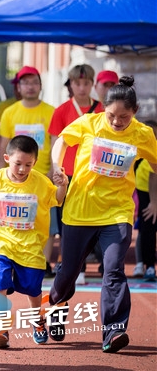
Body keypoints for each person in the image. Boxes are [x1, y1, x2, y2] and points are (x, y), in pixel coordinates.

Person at [49, 76, 157, 354]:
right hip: (80, 211)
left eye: (124, 117)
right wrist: (57, 167)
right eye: (111, 115)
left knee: (114, 270)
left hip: (117, 211)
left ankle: (114, 330)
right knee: (69, 272)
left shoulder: (143, 134)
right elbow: (61, 141)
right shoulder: (88, 123)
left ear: (134, 113)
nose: (117, 122)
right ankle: (58, 303)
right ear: (103, 110)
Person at [0, 135, 68, 349]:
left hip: (31, 247)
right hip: (1, 244)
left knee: (32, 291)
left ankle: (37, 320)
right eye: (18, 163)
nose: (22, 169)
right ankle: (1, 327)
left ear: (35, 163)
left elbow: (57, 199)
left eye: (28, 164)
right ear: (7, 158)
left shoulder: (40, 182)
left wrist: (63, 184)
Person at [0, 65, 56, 278]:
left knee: (45, 222)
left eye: (34, 82)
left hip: (43, 178)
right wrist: (1, 174)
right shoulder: (9, 113)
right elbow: (4, 146)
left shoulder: (51, 112)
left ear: (40, 86)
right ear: (18, 87)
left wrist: (52, 171)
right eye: (25, 83)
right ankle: (16, 262)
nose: (30, 87)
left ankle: (45, 263)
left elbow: (55, 143)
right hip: (16, 179)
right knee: (16, 222)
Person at [49, 64, 105, 285]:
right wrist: (56, 168)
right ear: (70, 84)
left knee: (100, 223)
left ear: (92, 84)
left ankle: (104, 267)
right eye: (77, 83)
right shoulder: (61, 110)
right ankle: (75, 269)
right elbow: (56, 141)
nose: (81, 88)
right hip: (69, 175)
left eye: (86, 83)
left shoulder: (103, 109)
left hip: (97, 175)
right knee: (69, 225)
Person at [133, 120, 157, 281]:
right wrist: (154, 203)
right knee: (147, 226)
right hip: (145, 192)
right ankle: (147, 265)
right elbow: (152, 177)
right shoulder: (139, 150)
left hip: (151, 194)